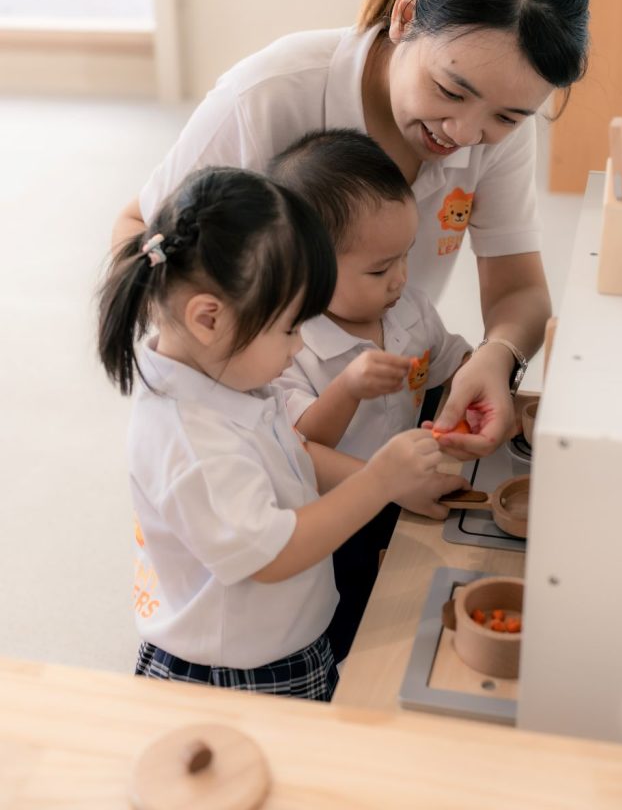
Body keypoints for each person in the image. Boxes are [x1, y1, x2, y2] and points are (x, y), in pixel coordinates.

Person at [112, 0, 589, 466]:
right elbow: (140, 235)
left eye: (505, 117)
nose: (463, 135)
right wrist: (240, 396)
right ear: (406, 16)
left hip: (379, 418)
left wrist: (498, 356)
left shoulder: (496, 129)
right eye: (449, 90)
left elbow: (519, 289)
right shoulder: (267, 96)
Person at [97, 165, 446, 699]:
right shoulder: (193, 443)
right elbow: (272, 555)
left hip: (278, 638)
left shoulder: (220, 375)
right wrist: (378, 482)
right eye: (288, 328)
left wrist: (396, 479)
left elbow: (293, 452)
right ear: (208, 319)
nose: (299, 347)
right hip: (238, 672)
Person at [270, 129, 474, 660]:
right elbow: (299, 449)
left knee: (411, 598)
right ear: (304, 269)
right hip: (335, 513)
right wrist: (348, 387)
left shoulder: (409, 309)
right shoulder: (290, 345)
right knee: (348, 619)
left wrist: (480, 381)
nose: (400, 279)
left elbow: (451, 366)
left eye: (405, 256)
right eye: (380, 269)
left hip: (403, 488)